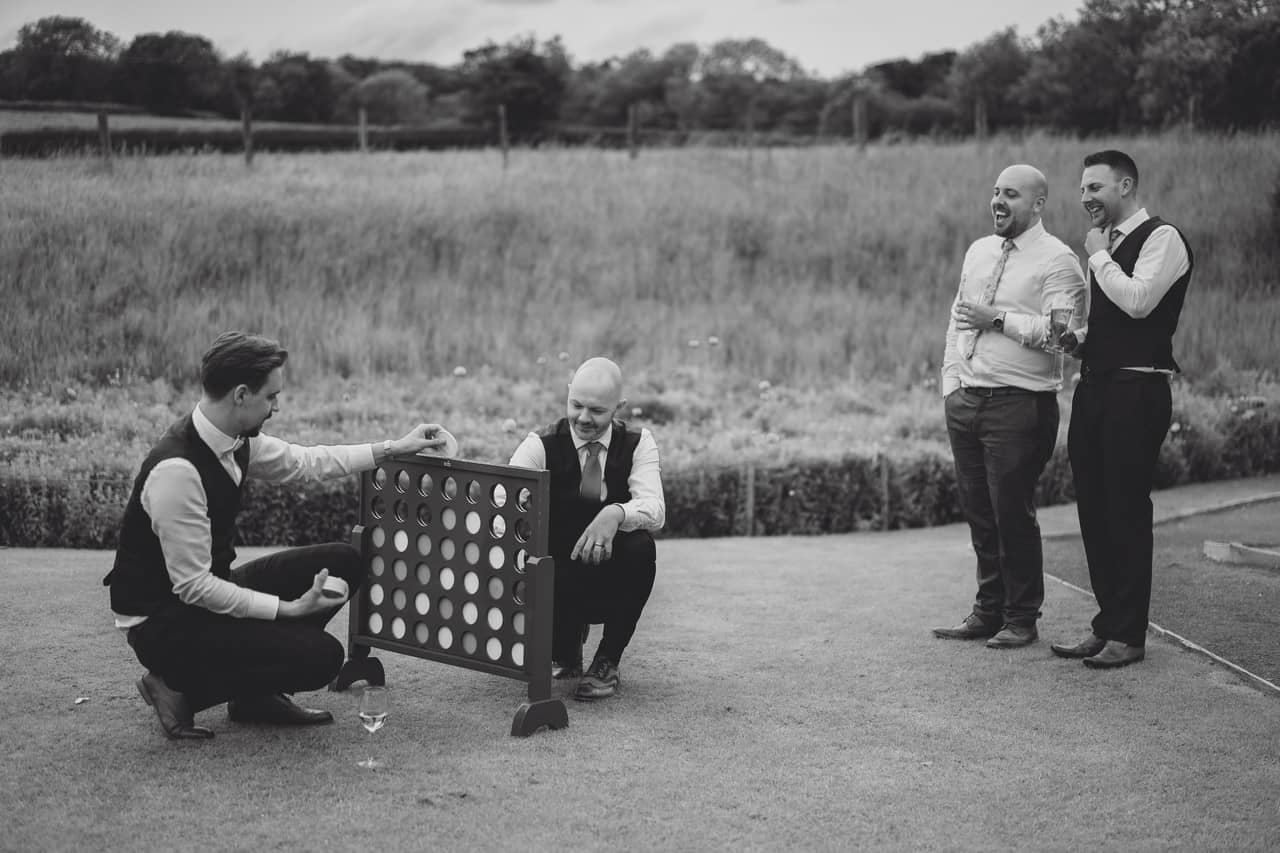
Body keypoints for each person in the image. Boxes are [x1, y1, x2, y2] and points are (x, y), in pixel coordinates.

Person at [105, 331, 451, 739]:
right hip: (162, 620)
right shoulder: (177, 471)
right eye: (270, 397)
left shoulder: (235, 438)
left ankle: (254, 697)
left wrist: (395, 448)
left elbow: (305, 462)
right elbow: (194, 587)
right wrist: (289, 610)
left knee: (344, 562)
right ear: (240, 395)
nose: (276, 407)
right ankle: (176, 687)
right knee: (323, 658)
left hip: (206, 592)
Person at [933, 164, 1087, 649]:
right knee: (980, 511)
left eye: (1012, 195)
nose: (999, 201)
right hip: (967, 401)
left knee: (1010, 512)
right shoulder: (979, 250)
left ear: (1038, 204)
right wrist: (950, 384)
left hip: (1021, 405)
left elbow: (1062, 338)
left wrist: (997, 319)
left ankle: (1022, 617)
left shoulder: (1058, 262)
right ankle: (987, 610)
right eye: (996, 192)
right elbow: (958, 320)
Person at [1051, 150, 1193, 669]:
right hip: (1096, 387)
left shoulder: (1163, 238)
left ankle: (1130, 635)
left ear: (1126, 185)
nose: (1085, 197)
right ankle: (1107, 623)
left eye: (1095, 187)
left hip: (1138, 391)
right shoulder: (1106, 246)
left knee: (1127, 510)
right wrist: (1081, 338)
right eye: (1083, 188)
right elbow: (1117, 322)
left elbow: (1139, 302)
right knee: (1094, 508)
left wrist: (1097, 256)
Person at [509, 357, 664, 701]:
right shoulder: (539, 444)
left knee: (642, 547)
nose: (583, 418)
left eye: (596, 410)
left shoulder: (639, 443)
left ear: (619, 407)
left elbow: (655, 508)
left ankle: (607, 661)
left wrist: (616, 514)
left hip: (613, 572)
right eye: (576, 405)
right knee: (533, 551)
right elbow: (505, 497)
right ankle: (565, 648)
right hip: (558, 570)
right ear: (567, 395)